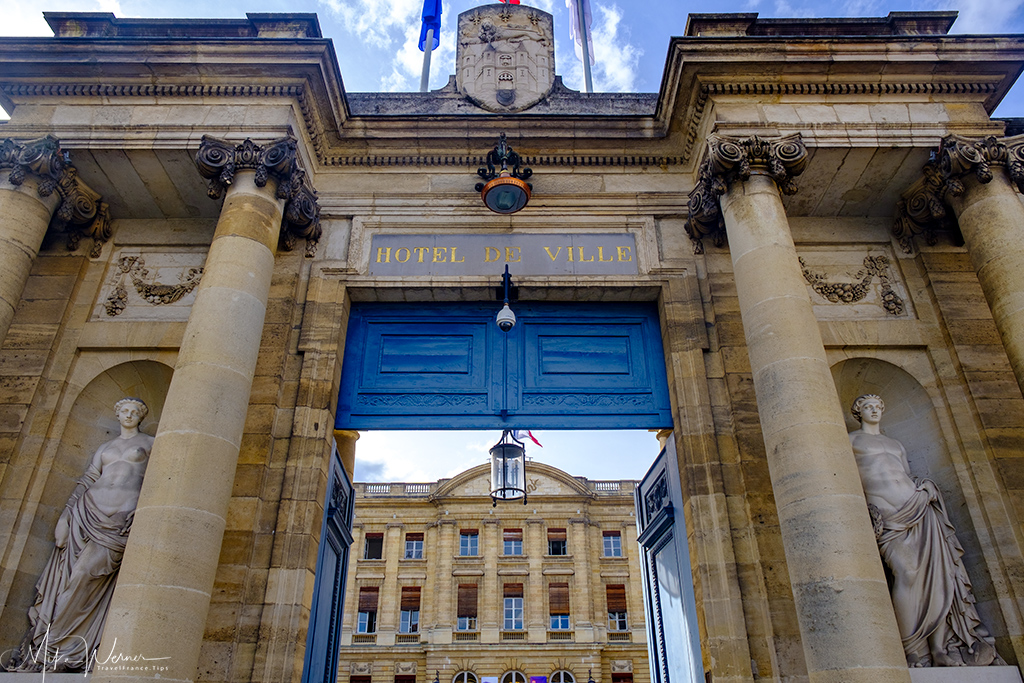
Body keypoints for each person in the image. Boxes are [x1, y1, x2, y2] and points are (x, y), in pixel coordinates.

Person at [849, 394, 999, 667]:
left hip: (919, 508)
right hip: (890, 518)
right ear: (858, 412)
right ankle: (911, 648)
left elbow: (905, 474)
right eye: (867, 407)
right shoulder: (851, 440)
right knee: (907, 574)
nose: (874, 410)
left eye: (877, 406)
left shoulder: (895, 443)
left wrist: (925, 486)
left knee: (939, 576)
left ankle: (939, 648)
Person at [10, 397, 154, 672]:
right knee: (69, 577)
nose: (128, 415)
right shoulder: (105, 447)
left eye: (134, 412)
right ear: (117, 414)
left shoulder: (150, 443)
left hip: (117, 521)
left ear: (141, 417)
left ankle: (58, 645)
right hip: (86, 513)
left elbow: (159, 477)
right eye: (124, 410)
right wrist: (65, 516)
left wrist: (146, 508)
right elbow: (88, 479)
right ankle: (53, 649)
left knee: (84, 574)